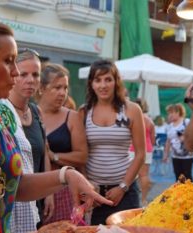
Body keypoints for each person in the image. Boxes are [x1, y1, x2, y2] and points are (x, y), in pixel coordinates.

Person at [0, 20, 112, 233]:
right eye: (8, 61)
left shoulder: (0, 114)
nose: (16, 72)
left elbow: (13, 185)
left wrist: (66, 175)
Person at [79, 59, 146, 225]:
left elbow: (140, 154)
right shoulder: (83, 112)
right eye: (98, 80)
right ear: (91, 84)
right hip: (94, 194)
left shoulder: (131, 109)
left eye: (108, 79)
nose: (103, 85)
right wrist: (87, 189)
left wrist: (122, 187)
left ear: (116, 82)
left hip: (126, 191)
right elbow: (80, 155)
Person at [0, 47, 53, 232]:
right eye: (23, 74)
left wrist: (49, 193)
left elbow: (42, 151)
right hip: (10, 201)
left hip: (34, 199)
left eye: (36, 74)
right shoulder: (0, 110)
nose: (30, 80)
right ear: (12, 74)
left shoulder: (36, 112)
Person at [38, 63, 88, 224]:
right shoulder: (29, 114)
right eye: (56, 87)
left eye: (65, 88)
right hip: (35, 188)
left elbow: (82, 156)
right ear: (42, 88)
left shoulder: (72, 117)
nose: (62, 93)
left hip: (64, 189)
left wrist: (54, 156)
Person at [129, 98, 155, 206]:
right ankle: (144, 200)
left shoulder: (131, 118)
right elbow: (153, 139)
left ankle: (130, 196)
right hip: (146, 149)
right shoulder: (149, 121)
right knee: (144, 175)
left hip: (132, 148)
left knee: (130, 174)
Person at [163, 103, 193, 182]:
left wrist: (185, 137)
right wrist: (165, 154)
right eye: (169, 113)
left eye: (172, 113)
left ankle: (190, 193)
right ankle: (180, 193)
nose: (170, 115)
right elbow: (168, 141)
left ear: (178, 112)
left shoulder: (186, 122)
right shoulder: (170, 126)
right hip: (175, 156)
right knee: (178, 176)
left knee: (187, 176)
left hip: (187, 156)